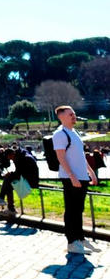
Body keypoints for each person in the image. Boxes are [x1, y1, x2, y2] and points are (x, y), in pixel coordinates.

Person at [52, 106, 99, 254]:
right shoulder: (60, 134)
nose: (74, 116)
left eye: (74, 113)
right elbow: (61, 157)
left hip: (81, 177)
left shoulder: (75, 132)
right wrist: (72, 176)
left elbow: (80, 155)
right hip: (70, 177)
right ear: (61, 117)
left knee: (79, 209)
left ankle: (80, 238)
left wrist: (91, 172)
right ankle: (72, 242)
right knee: (72, 210)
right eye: (70, 114)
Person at [0, 146, 40, 218]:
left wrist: (11, 174)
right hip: (27, 177)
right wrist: (11, 174)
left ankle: (4, 202)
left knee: (8, 180)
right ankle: (9, 206)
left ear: (12, 154)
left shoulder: (23, 158)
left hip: (31, 180)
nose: (11, 160)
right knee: (8, 183)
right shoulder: (20, 156)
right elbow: (20, 172)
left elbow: (20, 173)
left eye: (10, 158)